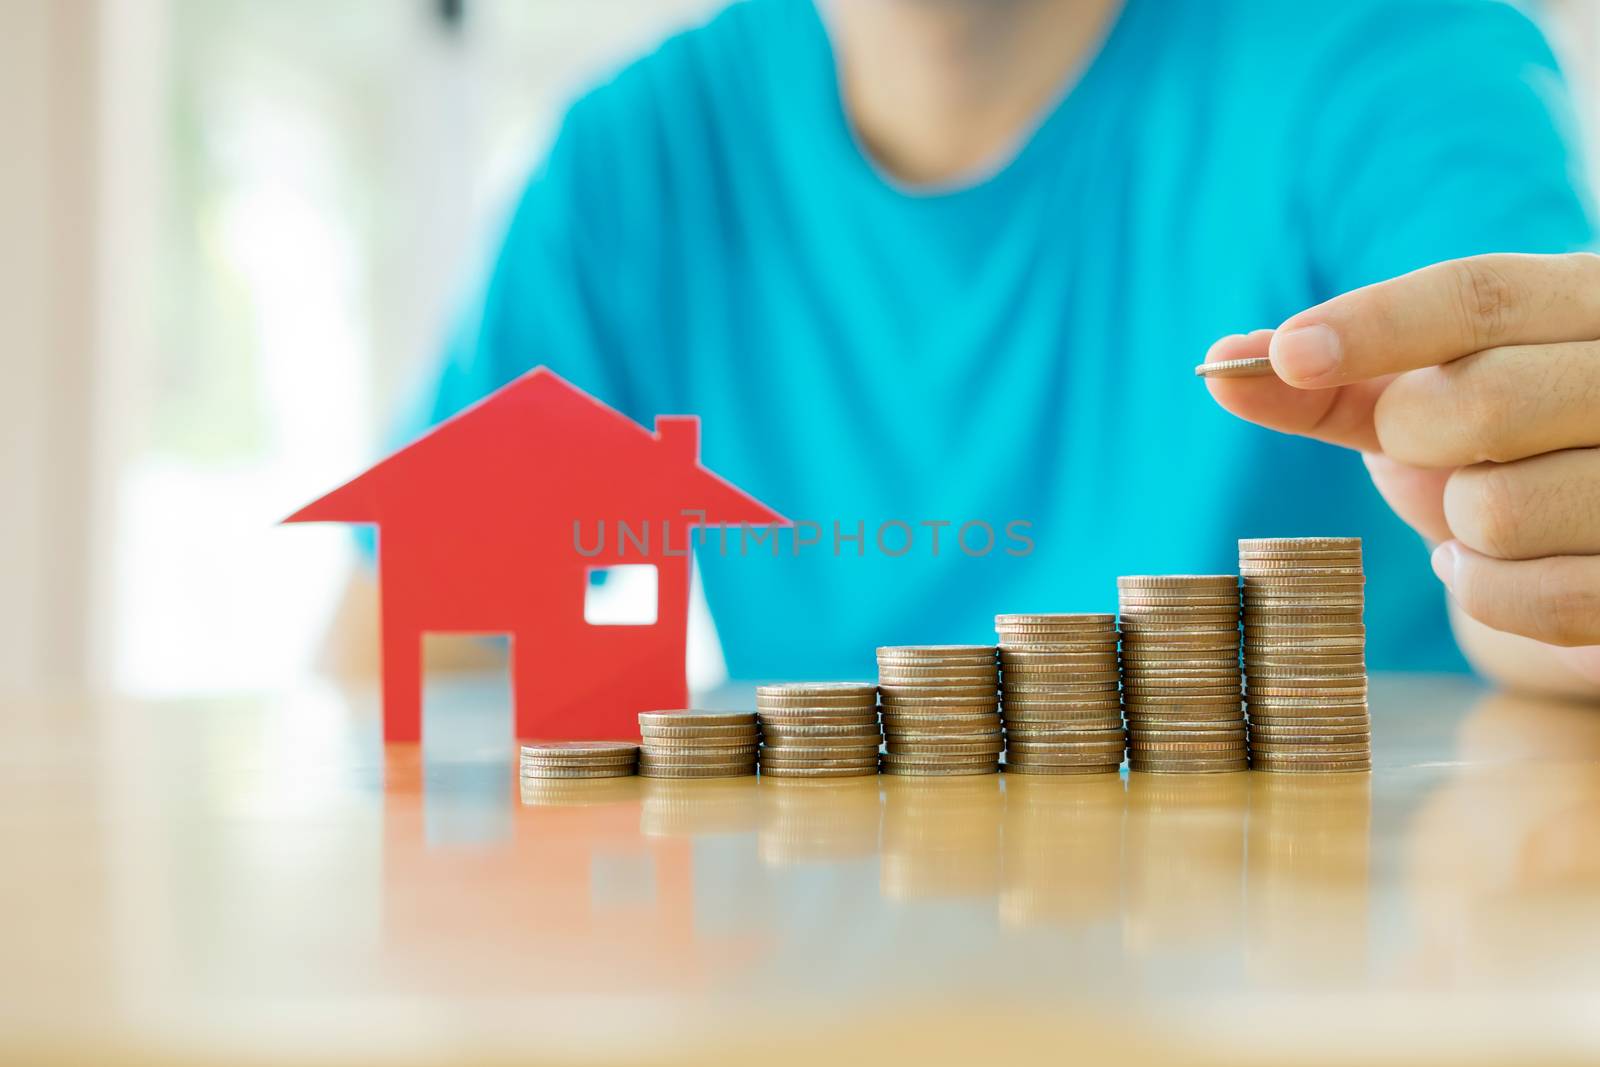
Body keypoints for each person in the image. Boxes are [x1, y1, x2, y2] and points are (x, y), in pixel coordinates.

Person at [356, 0, 1600, 695]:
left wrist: (1539, 556)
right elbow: (404, 648)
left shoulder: (1391, 55)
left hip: (1344, 983)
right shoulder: (632, 161)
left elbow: (1544, 526)